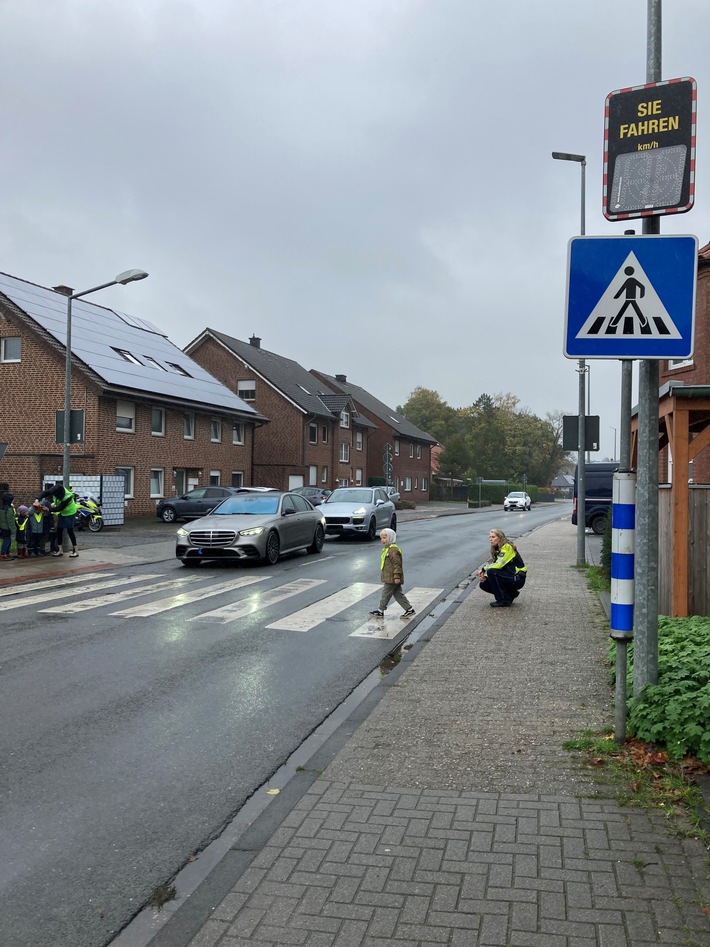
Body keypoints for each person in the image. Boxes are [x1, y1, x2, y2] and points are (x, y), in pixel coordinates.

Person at [369, 527, 416, 619]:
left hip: (392, 578)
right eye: (381, 538)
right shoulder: (387, 549)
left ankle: (380, 611)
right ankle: (409, 609)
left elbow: (397, 564)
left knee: (385, 594)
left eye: (384, 538)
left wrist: (397, 576)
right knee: (398, 594)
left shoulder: (393, 550)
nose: (382, 540)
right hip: (390, 577)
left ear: (390, 538)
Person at [476, 528, 527, 607]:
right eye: (490, 537)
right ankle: (511, 594)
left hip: (518, 578)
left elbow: (498, 565)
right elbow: (496, 566)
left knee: (491, 572)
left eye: (493, 537)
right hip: (508, 576)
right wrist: (485, 577)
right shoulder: (497, 549)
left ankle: (503, 600)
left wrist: (483, 569)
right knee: (484, 584)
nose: (490, 539)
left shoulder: (507, 547)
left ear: (499, 538)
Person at [39, 482, 79, 557]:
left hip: (70, 512)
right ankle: (60, 550)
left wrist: (48, 509)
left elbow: (60, 508)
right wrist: (37, 499)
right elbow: (45, 493)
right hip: (62, 513)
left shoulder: (67, 497)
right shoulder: (55, 490)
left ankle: (75, 551)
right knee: (59, 530)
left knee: (70, 531)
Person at [0, 491, 16, 560]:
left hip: (2, 527)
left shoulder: (1, 508)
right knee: (7, 540)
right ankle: (4, 553)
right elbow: (10, 521)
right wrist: (13, 529)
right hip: (7, 528)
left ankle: (6, 552)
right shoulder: (9, 509)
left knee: (7, 540)